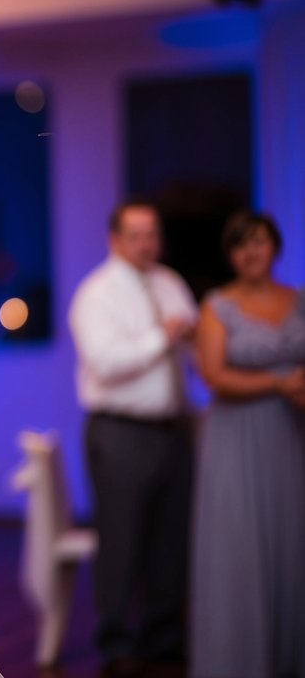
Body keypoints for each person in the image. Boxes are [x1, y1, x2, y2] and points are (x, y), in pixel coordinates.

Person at [67, 200, 197, 677]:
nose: (148, 243)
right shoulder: (96, 294)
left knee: (172, 537)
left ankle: (165, 638)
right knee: (121, 540)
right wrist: (162, 335)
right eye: (137, 234)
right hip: (120, 430)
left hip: (173, 429)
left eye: (153, 233)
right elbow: (106, 363)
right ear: (115, 240)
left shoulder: (171, 282)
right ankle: (118, 644)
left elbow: (193, 344)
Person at [190, 211, 305, 678]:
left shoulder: (298, 300)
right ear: (231, 255)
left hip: (292, 436)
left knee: (292, 542)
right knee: (241, 548)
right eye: (241, 245)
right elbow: (213, 374)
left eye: (259, 242)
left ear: (274, 246)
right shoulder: (218, 306)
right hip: (236, 439)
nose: (251, 252)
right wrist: (278, 384)